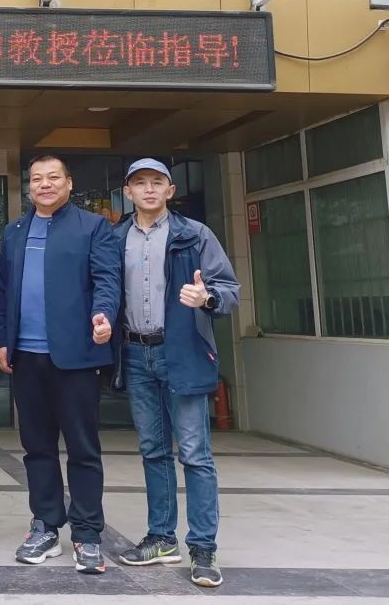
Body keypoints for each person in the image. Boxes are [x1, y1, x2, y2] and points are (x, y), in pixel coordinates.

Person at [113, 158, 240, 588]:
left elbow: (229, 291)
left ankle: (203, 547)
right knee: (153, 450)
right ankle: (161, 538)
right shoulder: (116, 238)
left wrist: (207, 297)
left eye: (157, 182)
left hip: (182, 351)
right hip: (136, 353)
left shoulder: (195, 235)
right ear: (128, 192)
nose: (148, 189)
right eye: (140, 183)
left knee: (195, 453)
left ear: (170, 190)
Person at [0, 154, 121, 575]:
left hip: (76, 357)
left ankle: (87, 534)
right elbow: (1, 291)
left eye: (53, 178)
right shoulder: (14, 231)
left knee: (83, 448)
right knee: (37, 448)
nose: (44, 185)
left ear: (69, 183)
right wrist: (1, 341)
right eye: (36, 179)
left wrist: (103, 315)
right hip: (26, 357)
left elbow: (107, 279)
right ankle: (46, 525)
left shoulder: (93, 226)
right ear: (29, 186)